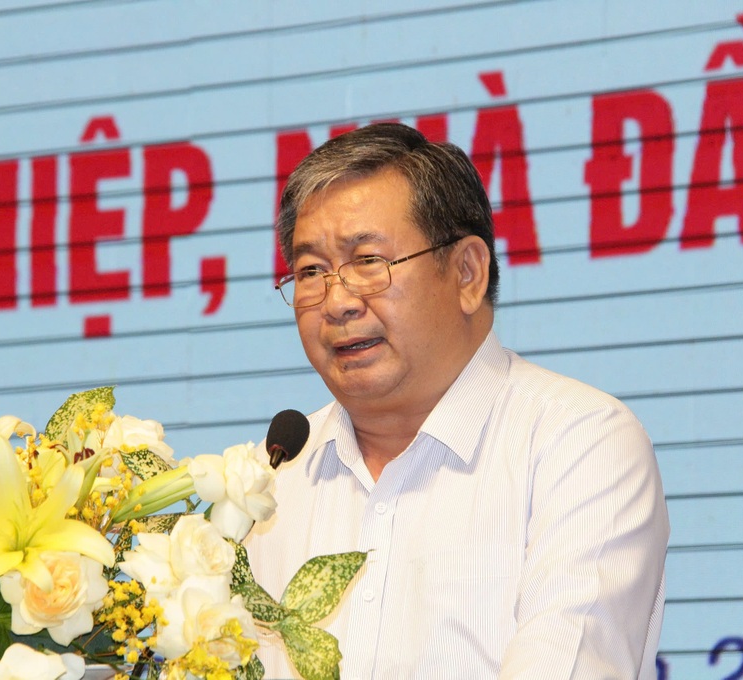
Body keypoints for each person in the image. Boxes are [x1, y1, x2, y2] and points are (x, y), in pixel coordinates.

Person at [246, 123, 670, 679]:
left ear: (467, 272)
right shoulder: (266, 479)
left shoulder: (579, 444)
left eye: (368, 261)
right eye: (310, 272)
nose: (337, 301)